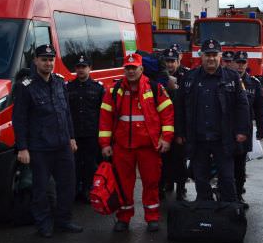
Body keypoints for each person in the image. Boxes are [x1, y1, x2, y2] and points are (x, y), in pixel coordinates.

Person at [99, 53, 174, 233]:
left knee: (151, 182)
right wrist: (105, 144)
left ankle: (152, 217)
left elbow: (168, 115)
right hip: (122, 147)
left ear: (141, 69)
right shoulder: (114, 90)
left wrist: (166, 139)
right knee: (123, 184)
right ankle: (124, 218)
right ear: (124, 69)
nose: (131, 71)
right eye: (128, 68)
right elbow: (105, 119)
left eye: (134, 68)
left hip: (149, 147)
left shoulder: (155, 88)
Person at [12, 44, 82, 238]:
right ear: (35, 61)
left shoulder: (60, 82)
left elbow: (66, 112)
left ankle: (63, 221)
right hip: (39, 147)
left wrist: (72, 137)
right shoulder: (25, 87)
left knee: (68, 185)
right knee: (40, 189)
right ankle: (43, 224)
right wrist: (22, 148)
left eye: (51, 59)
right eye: (44, 59)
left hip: (62, 144)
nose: (48, 63)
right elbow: (19, 120)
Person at [175, 39, 250, 204]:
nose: (211, 58)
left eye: (214, 55)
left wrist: (242, 131)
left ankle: (230, 212)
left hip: (223, 138)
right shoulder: (190, 78)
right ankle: (205, 211)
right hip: (198, 138)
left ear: (220, 56)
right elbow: (179, 107)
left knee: (227, 178)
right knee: (200, 178)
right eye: (207, 55)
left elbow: (242, 106)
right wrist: (180, 132)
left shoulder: (233, 78)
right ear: (201, 56)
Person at [67, 54, 105, 203]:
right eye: (78, 67)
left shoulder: (98, 89)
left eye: (84, 67)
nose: (81, 70)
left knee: (90, 164)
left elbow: (104, 113)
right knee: (74, 164)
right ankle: (75, 190)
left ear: (90, 68)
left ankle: (89, 190)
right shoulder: (68, 88)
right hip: (74, 134)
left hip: (91, 133)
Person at [233, 50, 263, 207]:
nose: (240, 66)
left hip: (244, 129)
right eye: (237, 63)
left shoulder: (254, 83)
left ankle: (238, 195)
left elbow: (260, 108)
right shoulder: (225, 80)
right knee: (224, 163)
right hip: (226, 129)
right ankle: (225, 193)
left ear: (246, 64)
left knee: (240, 165)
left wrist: (261, 129)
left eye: (242, 63)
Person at [160, 47, 190, 201]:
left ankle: (181, 188)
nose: (170, 65)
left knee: (180, 159)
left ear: (179, 61)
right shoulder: (160, 77)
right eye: (167, 61)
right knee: (163, 159)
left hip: (179, 125)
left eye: (173, 61)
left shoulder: (187, 75)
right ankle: (166, 184)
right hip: (162, 125)